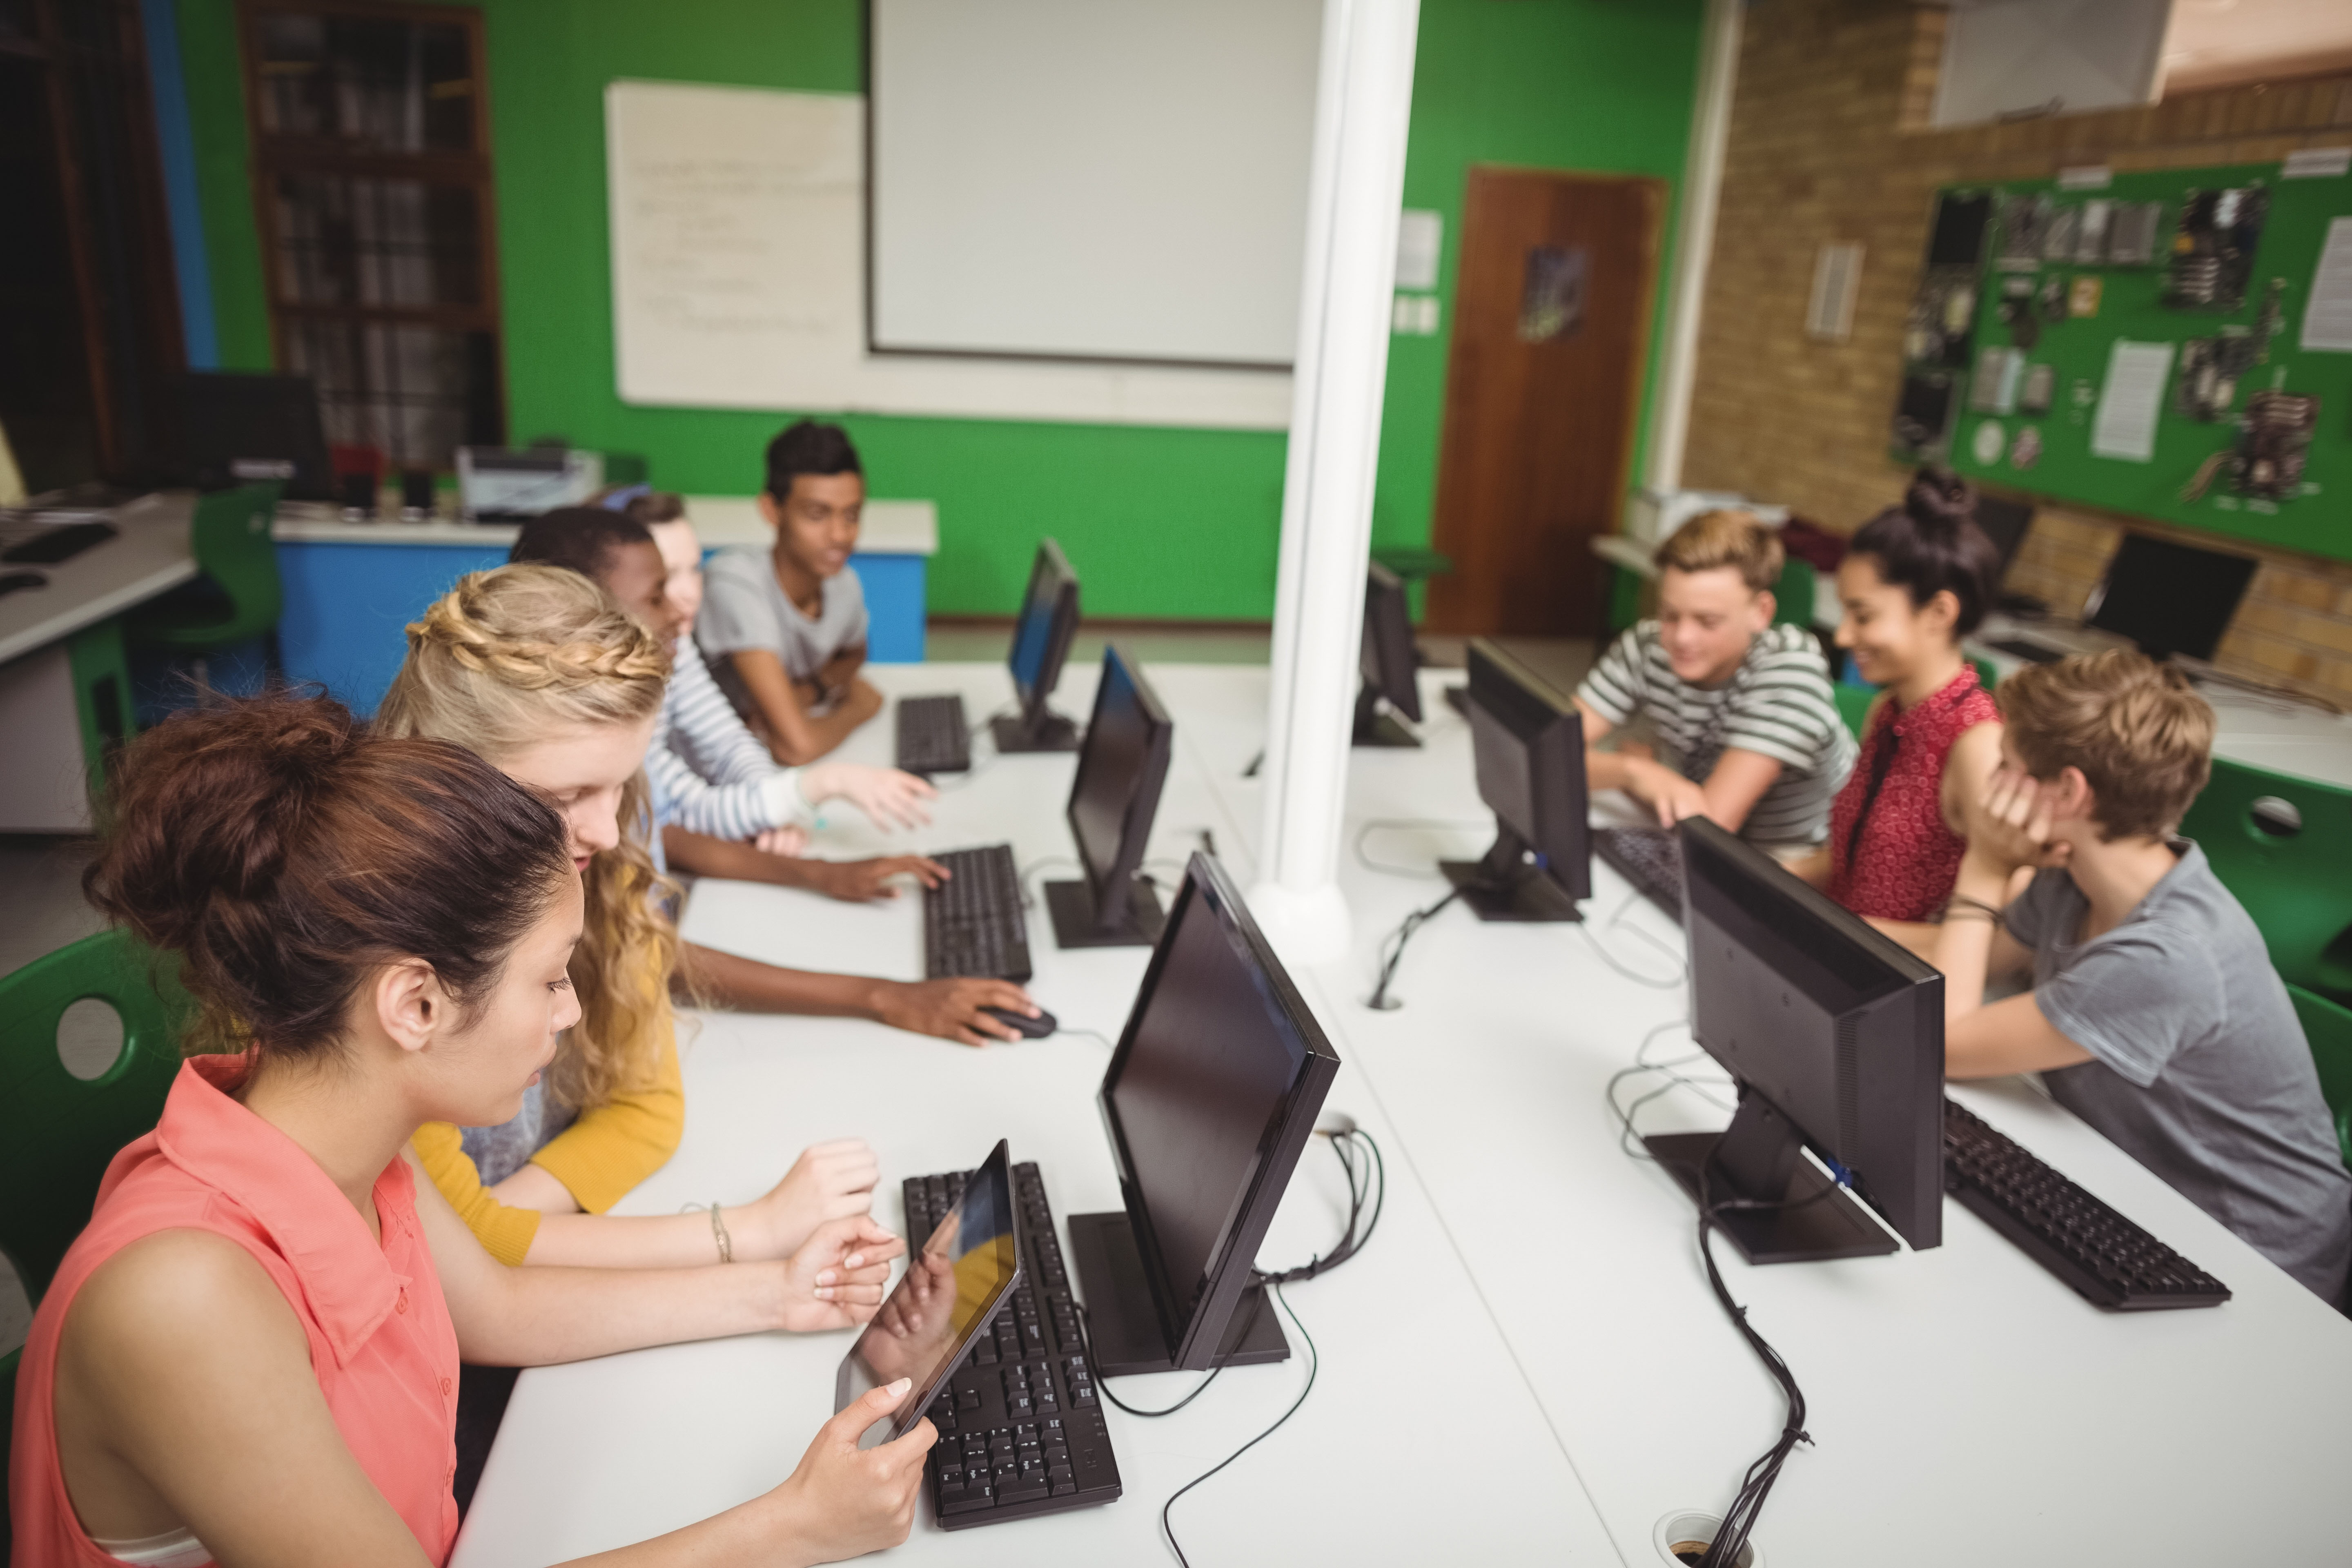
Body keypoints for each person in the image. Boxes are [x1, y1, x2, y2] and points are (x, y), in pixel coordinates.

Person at [9, 693, 930, 1566]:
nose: (570, 1012)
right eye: (550, 979)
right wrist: (793, 1527)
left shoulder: (347, 1127)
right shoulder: (186, 1299)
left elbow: (494, 1308)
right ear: (415, 1003)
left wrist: (777, 1293)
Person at [1933, 650, 2352, 1303]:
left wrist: (1985, 865)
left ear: (2067, 792)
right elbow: (1963, 962)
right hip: (2129, 1191)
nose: (1993, 789)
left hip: (2256, 1263)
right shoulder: (2074, 880)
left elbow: (1946, 1041)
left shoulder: (2167, 956)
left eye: (2009, 770)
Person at [513, 503, 945, 905]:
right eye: (660, 590)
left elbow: (724, 745)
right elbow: (681, 811)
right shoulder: (581, 726)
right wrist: (813, 790)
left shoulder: (668, 646)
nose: (682, 600)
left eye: (691, 571)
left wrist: (774, 810)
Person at [1790, 469, 2004, 927]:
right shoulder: (1887, 711)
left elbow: (1998, 932)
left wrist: (1858, 937)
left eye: (1862, 615)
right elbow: (1856, 865)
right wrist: (1772, 875)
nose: (1844, 636)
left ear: (1939, 613)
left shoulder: (1976, 745)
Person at [1575, 509, 1857, 844]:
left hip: (1794, 866)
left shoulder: (1790, 670)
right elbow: (1547, 747)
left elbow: (1709, 829)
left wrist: (1647, 779)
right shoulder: (1648, 644)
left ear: (1761, 613)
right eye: (1669, 615)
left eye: (1708, 621)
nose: (1682, 638)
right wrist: (1632, 772)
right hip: (1705, 842)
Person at [697, 420, 882, 764]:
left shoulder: (845, 583)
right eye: (817, 515)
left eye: (852, 515)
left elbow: (854, 654)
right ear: (772, 510)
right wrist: (859, 708)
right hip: (705, 775)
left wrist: (815, 690)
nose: (841, 535)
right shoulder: (735, 583)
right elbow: (795, 748)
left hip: (760, 763)